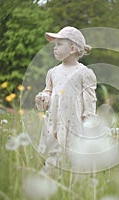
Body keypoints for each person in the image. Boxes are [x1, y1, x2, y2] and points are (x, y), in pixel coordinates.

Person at [35, 26, 97, 157]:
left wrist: (88, 116)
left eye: (59, 44)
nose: (55, 47)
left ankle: (71, 169)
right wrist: (43, 98)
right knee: (52, 148)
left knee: (72, 150)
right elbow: (48, 90)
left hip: (73, 119)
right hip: (54, 118)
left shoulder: (83, 73)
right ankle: (52, 167)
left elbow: (89, 98)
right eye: (55, 44)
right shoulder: (53, 72)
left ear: (72, 49)